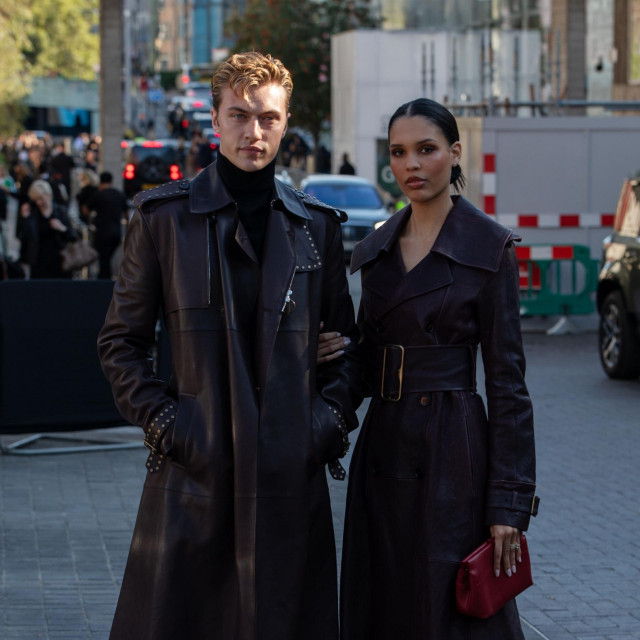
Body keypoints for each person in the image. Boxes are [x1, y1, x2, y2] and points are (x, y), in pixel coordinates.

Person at [97, 51, 361, 640]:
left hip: (289, 482)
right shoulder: (163, 219)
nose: (254, 131)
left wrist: (324, 423)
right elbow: (121, 342)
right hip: (195, 478)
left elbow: (348, 348)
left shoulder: (317, 226)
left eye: (268, 117)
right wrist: (170, 425)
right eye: (239, 115)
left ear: (285, 122)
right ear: (215, 120)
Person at [337, 98, 538, 639]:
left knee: (451, 607)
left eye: (426, 150)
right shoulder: (376, 251)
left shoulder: (488, 248)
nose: (412, 166)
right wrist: (321, 373)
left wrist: (509, 505)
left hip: (453, 455)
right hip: (382, 450)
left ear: (454, 153)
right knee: (383, 600)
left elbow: (508, 385)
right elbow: (362, 360)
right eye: (399, 153)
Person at [17, 179, 78, 279]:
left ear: (49, 195)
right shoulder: (32, 214)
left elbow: (73, 236)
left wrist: (61, 228)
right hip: (38, 261)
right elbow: (23, 237)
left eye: (41, 198)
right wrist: (25, 219)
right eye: (36, 199)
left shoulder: (60, 211)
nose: (39, 202)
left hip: (60, 261)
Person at [83, 171, 128, 279]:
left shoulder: (99, 195)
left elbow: (85, 209)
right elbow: (126, 213)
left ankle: (104, 281)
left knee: (104, 259)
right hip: (116, 233)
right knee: (107, 258)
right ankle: (106, 279)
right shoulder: (119, 194)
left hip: (102, 233)